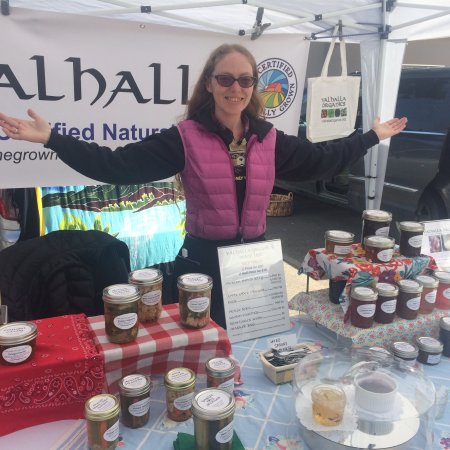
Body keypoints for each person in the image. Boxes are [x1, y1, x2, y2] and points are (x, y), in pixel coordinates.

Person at [0, 43, 407, 329]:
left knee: (255, 343)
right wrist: (52, 139)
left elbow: (322, 160)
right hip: (203, 263)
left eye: (245, 80)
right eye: (226, 79)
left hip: (255, 261)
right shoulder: (185, 137)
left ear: (254, 86)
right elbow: (115, 165)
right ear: (210, 84)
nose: (236, 88)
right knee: (204, 347)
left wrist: (371, 136)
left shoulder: (268, 138)